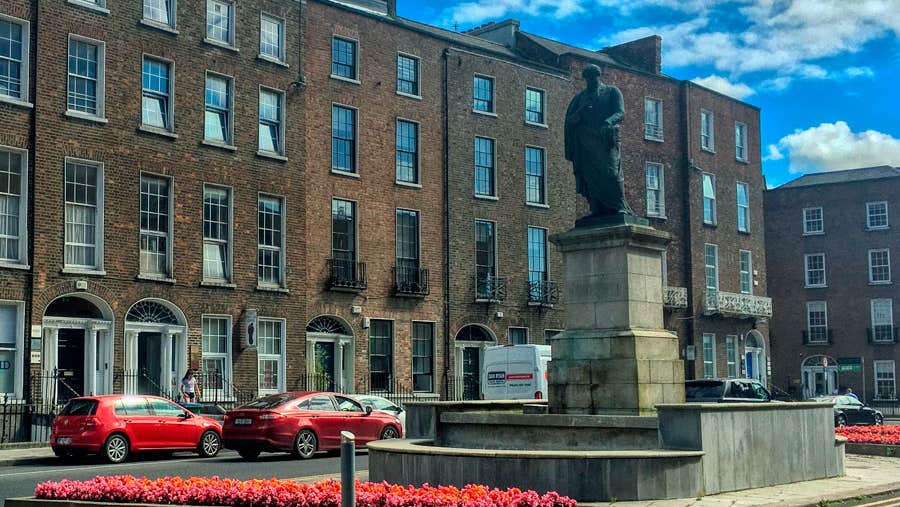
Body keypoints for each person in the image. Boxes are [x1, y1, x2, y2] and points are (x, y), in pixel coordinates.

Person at [564, 64, 634, 220]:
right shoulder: (580, 98)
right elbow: (570, 121)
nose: (590, 80)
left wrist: (609, 122)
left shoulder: (611, 92)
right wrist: (578, 114)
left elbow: (620, 112)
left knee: (612, 173)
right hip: (585, 142)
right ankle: (597, 209)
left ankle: (620, 206)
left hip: (605, 140)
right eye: (587, 77)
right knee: (589, 176)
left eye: (593, 76)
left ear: (599, 76)